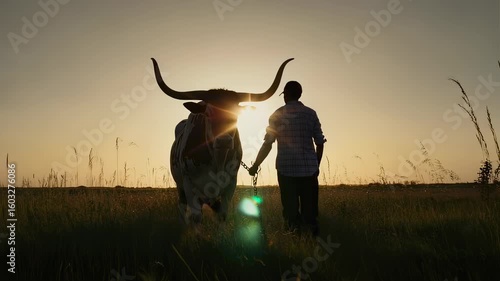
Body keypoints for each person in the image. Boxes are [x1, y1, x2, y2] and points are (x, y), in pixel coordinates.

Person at [248, 81, 326, 236]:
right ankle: (312, 242)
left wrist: (256, 165)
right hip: (309, 171)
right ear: (299, 94)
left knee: (290, 213)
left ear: (286, 95)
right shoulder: (311, 114)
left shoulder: (276, 116)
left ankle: (294, 243)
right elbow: (320, 142)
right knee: (310, 214)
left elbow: (268, 144)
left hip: (286, 171)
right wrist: (316, 165)